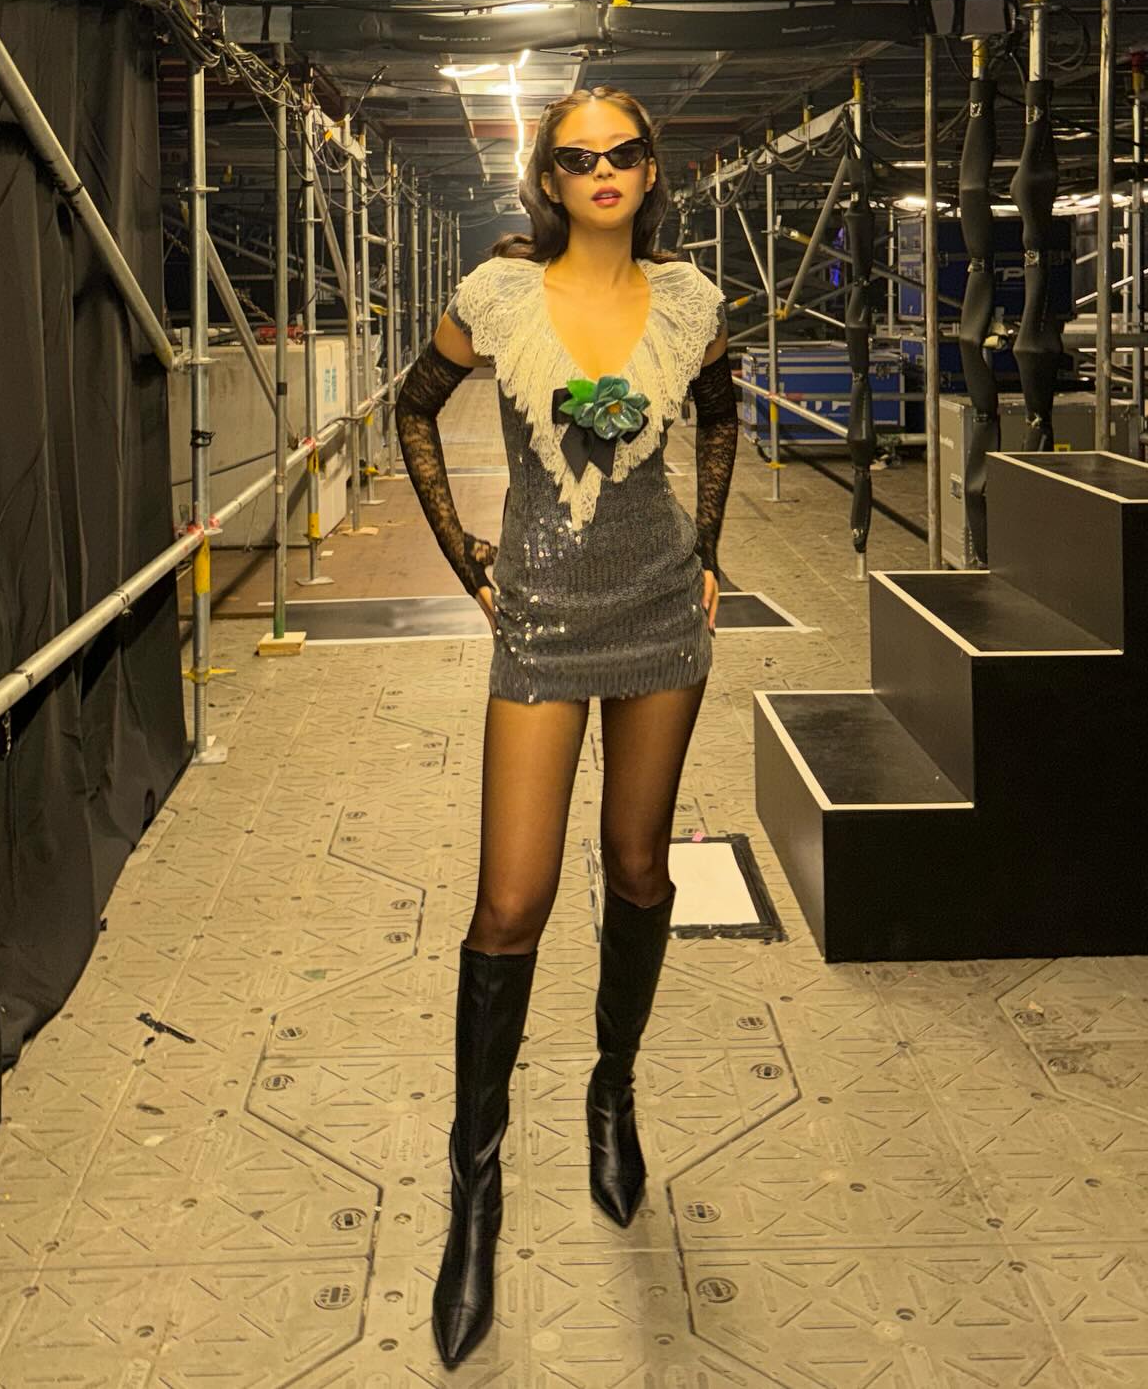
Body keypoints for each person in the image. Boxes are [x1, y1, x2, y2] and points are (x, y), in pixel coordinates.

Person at [394, 84, 738, 1371]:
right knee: (511, 901)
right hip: (539, 619)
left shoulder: (693, 299)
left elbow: (721, 414)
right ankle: (475, 1188)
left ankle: (613, 1085)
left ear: (650, 171)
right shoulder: (498, 295)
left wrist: (711, 548)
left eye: (624, 152)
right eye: (578, 155)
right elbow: (413, 408)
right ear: (548, 177)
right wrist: (465, 556)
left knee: (639, 865)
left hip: (660, 613)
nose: (602, 169)